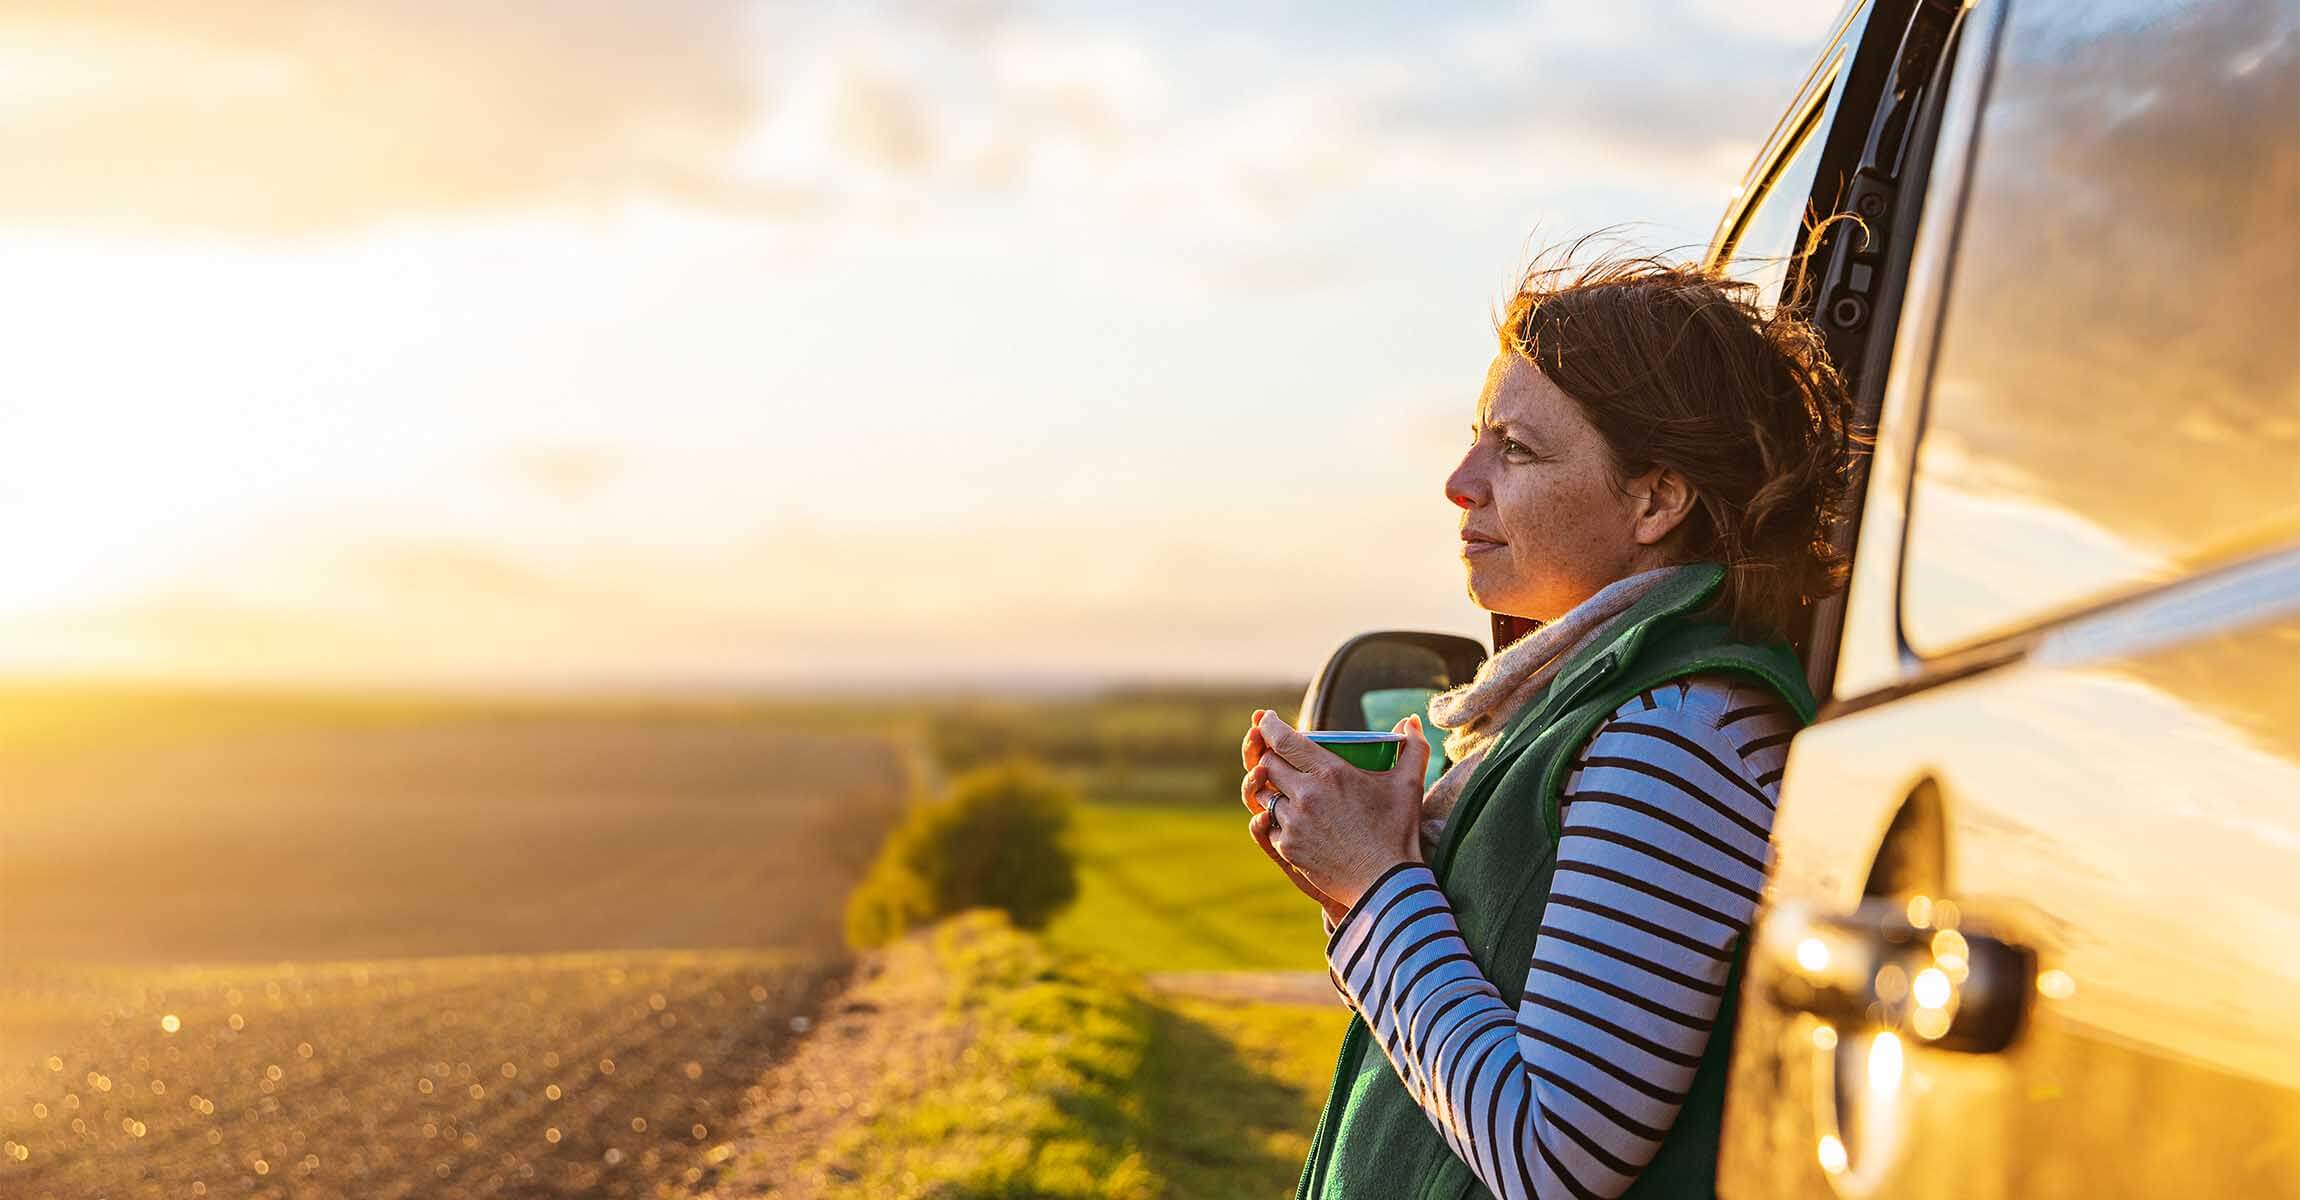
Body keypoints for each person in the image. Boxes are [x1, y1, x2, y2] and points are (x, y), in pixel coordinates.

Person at [1239, 246, 1856, 1200]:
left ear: (1656, 499)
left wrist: (1373, 888)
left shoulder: (1676, 730)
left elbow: (1556, 1156)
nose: (1460, 479)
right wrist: (1356, 870)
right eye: (1478, 437)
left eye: (1516, 450)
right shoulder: (1608, 700)